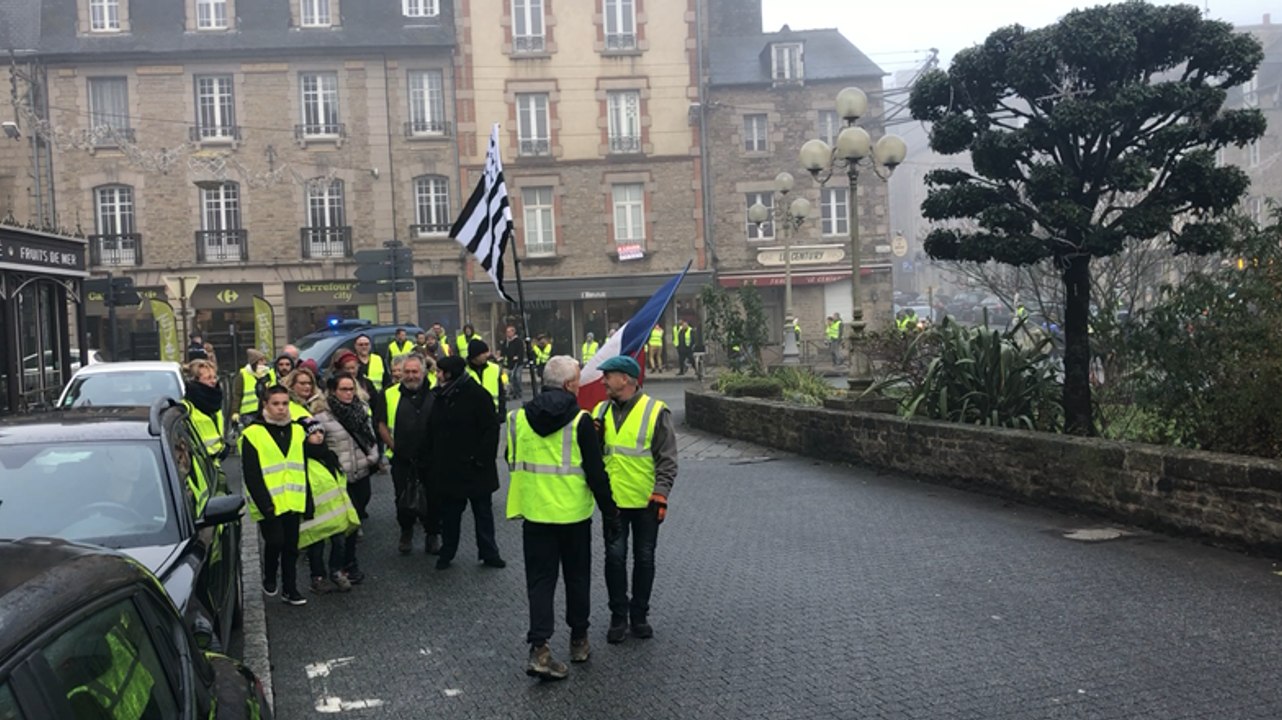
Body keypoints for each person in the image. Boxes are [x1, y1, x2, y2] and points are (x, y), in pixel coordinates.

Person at [507, 355, 621, 680]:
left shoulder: (518, 419)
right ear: (571, 385)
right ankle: (579, 641)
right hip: (573, 516)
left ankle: (540, 649)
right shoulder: (581, 421)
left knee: (540, 583)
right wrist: (610, 512)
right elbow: (596, 474)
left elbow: (511, 458)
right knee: (577, 578)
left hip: (535, 514)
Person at [592, 356, 678, 643]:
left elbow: (667, 460)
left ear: (625, 379)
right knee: (614, 560)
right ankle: (619, 617)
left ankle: (639, 616)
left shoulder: (656, 411)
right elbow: (594, 456)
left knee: (644, 559)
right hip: (613, 503)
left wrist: (661, 494)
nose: (603, 380)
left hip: (646, 502)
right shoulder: (599, 411)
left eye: (608, 376)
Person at [428, 356, 505, 570]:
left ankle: (489, 553)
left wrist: (481, 460)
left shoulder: (478, 395)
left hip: (475, 467)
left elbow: (491, 430)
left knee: (483, 513)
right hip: (451, 468)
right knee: (451, 515)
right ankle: (447, 553)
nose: (437, 374)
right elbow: (434, 429)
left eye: (441, 371)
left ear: (450, 373)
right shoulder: (441, 395)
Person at [240, 385, 309, 606]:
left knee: (291, 546)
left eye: (285, 404)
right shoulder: (252, 434)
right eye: (276, 404)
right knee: (275, 541)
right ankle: (270, 574)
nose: (281, 409)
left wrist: (308, 500)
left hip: (293, 498)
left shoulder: (298, 430)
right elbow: (252, 474)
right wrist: (265, 504)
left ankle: (290, 589)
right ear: (265, 405)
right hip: (268, 501)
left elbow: (303, 466)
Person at [313, 374, 380, 582]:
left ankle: (347, 563)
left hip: (361, 471)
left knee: (357, 518)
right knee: (344, 525)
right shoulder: (322, 417)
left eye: (351, 389)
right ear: (333, 391)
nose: (349, 393)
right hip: (340, 478)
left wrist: (373, 457)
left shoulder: (362, 410)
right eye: (344, 389)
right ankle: (344, 566)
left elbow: (370, 436)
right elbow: (319, 447)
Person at [378, 354, 440, 555]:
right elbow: (381, 424)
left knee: (433, 498)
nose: (411, 376)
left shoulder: (436, 393)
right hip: (402, 458)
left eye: (415, 371)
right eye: (407, 371)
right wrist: (394, 447)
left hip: (431, 458)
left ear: (422, 372)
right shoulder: (389, 394)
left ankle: (432, 535)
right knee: (402, 499)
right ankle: (406, 532)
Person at [297, 417, 360, 594]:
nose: (318, 437)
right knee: (316, 547)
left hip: (335, 511)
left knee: (339, 542)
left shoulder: (329, 456)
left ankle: (336, 571)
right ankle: (318, 577)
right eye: (313, 433)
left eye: (320, 432)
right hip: (316, 513)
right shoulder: (302, 461)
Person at [184, 360, 228, 491]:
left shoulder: (215, 404)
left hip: (215, 464)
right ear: (196, 380)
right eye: (208, 378)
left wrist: (223, 447)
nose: (213, 381)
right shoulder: (187, 407)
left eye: (215, 377)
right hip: (197, 468)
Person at [466, 340, 506, 418]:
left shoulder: (495, 368)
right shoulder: (464, 372)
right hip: (472, 416)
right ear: (475, 355)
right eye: (483, 353)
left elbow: (501, 393)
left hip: (492, 413)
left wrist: (502, 412)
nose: (487, 355)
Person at [499, 325, 526, 400]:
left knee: (516, 376)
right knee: (505, 377)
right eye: (507, 332)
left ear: (513, 332)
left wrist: (517, 356)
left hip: (517, 363)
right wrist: (501, 357)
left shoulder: (518, 341)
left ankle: (518, 392)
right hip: (508, 363)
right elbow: (503, 351)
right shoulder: (506, 342)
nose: (507, 333)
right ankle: (508, 391)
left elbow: (521, 352)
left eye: (509, 332)